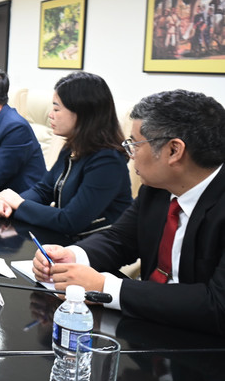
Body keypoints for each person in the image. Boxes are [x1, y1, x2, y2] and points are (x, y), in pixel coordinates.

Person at [32, 89, 225, 335]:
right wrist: (73, 255)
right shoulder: (157, 189)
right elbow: (120, 239)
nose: (129, 154)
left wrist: (105, 287)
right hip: (147, 325)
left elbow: (217, 305)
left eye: (134, 143)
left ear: (174, 151)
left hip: (203, 348)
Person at [0, 72, 132, 236]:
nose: (50, 115)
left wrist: (19, 204)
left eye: (57, 108)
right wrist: (8, 204)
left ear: (83, 113)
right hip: (70, 240)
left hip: (100, 247)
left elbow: (70, 221)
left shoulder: (108, 161)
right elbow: (43, 190)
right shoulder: (73, 146)